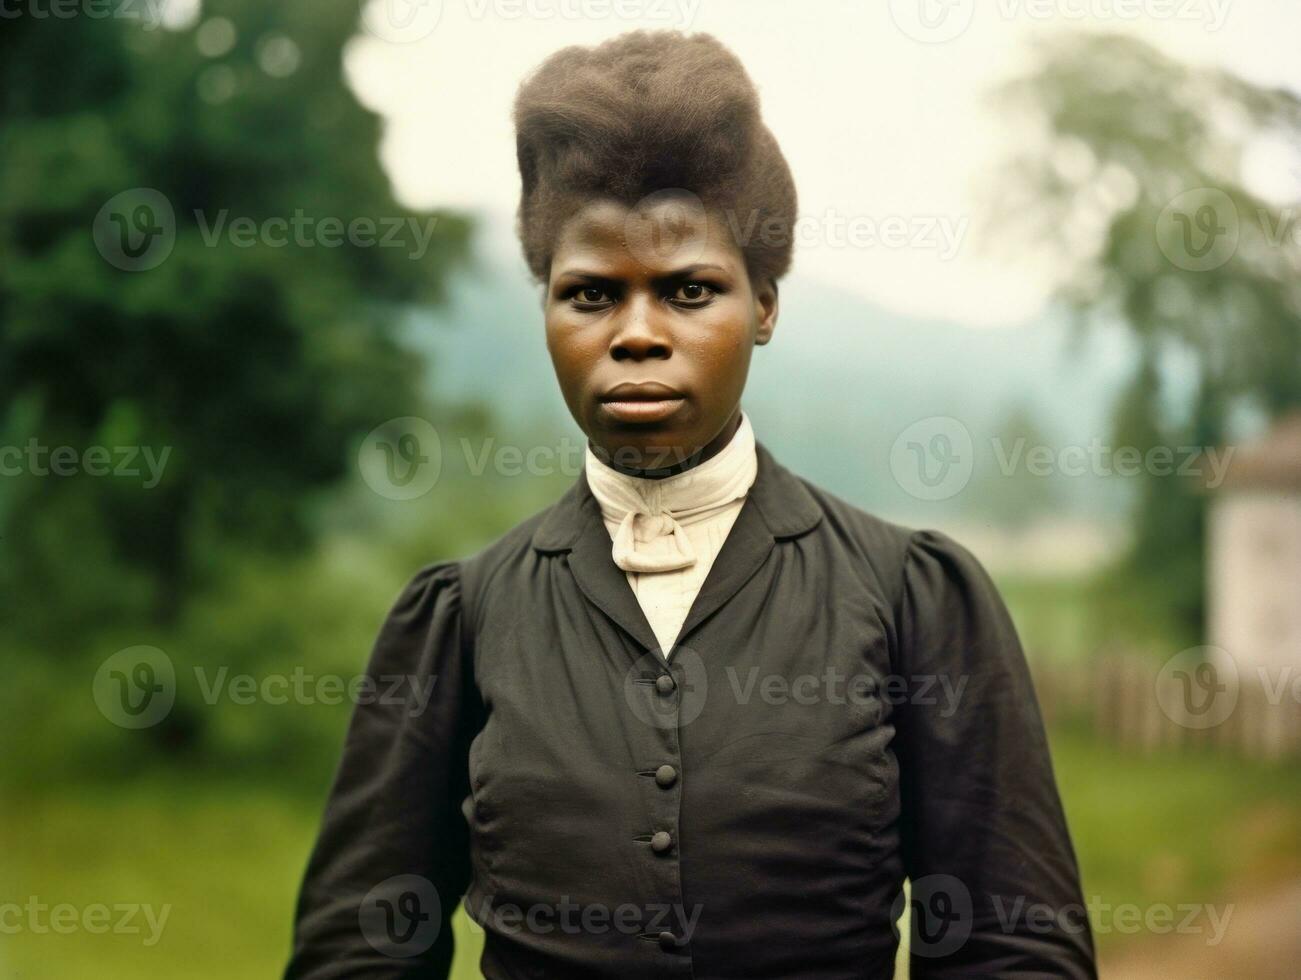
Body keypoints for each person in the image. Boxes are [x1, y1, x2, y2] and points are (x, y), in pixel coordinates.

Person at [285, 30, 1096, 979]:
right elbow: (360, 951)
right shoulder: (462, 619)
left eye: (687, 290)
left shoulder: (912, 598)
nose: (636, 334)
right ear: (544, 309)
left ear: (762, 304)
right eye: (589, 293)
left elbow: (1014, 950)